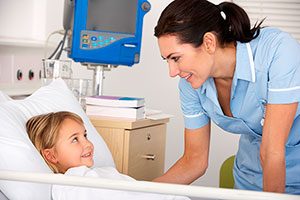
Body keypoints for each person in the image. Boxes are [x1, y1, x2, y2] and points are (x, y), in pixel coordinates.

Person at [153, 0, 300, 194]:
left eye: (176, 58)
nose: (172, 71)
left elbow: (272, 151)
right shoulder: (191, 83)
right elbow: (194, 161)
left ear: (209, 42)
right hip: (249, 178)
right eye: (167, 60)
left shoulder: (277, 51)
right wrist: (135, 193)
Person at [26, 111, 190, 200]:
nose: (87, 144)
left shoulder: (104, 172)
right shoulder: (69, 185)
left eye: (85, 135)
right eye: (75, 139)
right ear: (51, 156)